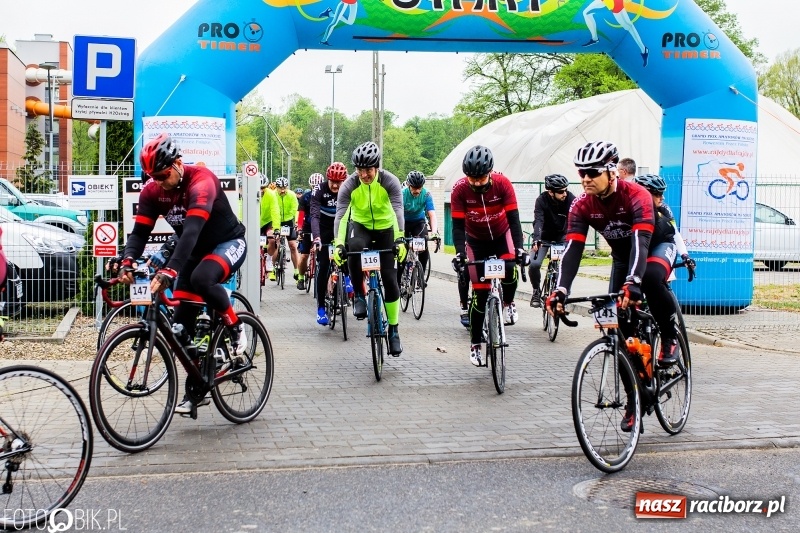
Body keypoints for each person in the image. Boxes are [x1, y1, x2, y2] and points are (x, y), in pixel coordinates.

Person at [545, 140, 679, 432]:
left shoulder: (637, 195)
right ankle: (636, 397)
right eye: (581, 173)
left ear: (611, 171)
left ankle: (669, 335)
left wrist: (634, 282)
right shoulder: (581, 204)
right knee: (617, 329)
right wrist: (561, 290)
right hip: (622, 258)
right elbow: (572, 250)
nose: (585, 179)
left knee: (653, 279)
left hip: (655, 247)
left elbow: (640, 242)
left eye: (592, 172)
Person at [120, 133, 247, 415]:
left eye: (163, 174)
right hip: (195, 251)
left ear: (178, 164)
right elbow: (140, 232)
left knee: (202, 278)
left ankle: (235, 326)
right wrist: (127, 260)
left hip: (227, 242)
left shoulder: (201, 181)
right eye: (152, 176)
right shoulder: (153, 192)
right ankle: (197, 390)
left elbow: (190, 231)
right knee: (180, 330)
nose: (158, 181)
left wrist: (170, 270)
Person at [451, 145, 528, 367]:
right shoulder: (459, 190)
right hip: (476, 241)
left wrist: (520, 249)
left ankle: (509, 302)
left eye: (481, 178)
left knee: (511, 267)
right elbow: (457, 227)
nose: (475, 182)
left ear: (490, 173)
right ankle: (475, 344)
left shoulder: (503, 184)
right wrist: (459, 253)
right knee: (481, 296)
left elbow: (514, 220)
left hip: (502, 235)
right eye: (471, 178)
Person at [332, 141, 405, 356]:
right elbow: (342, 216)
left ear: (377, 167)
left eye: (369, 170)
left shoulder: (389, 181)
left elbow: (397, 210)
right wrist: (338, 244)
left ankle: (393, 329)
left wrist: (400, 239)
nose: (364, 175)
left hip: (386, 230)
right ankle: (360, 297)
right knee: (353, 247)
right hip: (361, 227)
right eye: (360, 170)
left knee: (390, 279)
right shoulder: (350, 185)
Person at [633, 174, 696, 281]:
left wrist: (685, 256)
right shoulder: (631, 209)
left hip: (661, 248)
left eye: (662, 193)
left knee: (660, 282)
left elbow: (675, 233)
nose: (662, 197)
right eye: (658, 194)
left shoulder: (664, 209)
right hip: (639, 251)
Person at [311, 162, 352, 325]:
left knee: (350, 249)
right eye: (332, 181)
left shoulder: (349, 188)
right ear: (327, 179)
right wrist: (317, 238)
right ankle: (321, 308)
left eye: (339, 182)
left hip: (341, 226)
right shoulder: (319, 190)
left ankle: (348, 278)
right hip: (324, 229)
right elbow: (314, 215)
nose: (335, 185)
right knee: (323, 266)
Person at [528, 174, 576, 308]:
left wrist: (572, 238)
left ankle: (563, 291)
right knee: (534, 264)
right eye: (561, 191)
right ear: (550, 192)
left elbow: (575, 220)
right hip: (544, 236)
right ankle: (536, 291)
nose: (564, 194)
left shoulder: (570, 198)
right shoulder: (541, 200)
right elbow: (539, 220)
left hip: (562, 236)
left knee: (567, 264)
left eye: (566, 190)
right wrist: (536, 239)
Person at [396, 170, 439, 289]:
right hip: (403, 222)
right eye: (414, 188)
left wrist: (434, 232)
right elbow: (396, 213)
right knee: (402, 252)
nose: (417, 191)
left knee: (423, 244)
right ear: (409, 185)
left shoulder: (426, 195)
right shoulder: (402, 194)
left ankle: (421, 276)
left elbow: (432, 215)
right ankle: (398, 280)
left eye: (419, 187)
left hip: (418, 222)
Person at [296, 173, 323, 291]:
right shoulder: (305, 197)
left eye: (318, 186)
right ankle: (301, 277)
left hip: (321, 226)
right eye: (313, 186)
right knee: (304, 255)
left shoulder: (325, 195)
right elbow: (301, 215)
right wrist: (299, 229)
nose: (315, 189)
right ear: (310, 186)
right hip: (307, 227)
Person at [273, 177, 302, 285]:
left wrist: (296, 223)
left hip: (288, 221)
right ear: (276, 187)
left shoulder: (291, 195)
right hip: (276, 221)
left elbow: (296, 210)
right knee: (276, 243)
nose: (282, 190)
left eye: (284, 187)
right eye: (280, 188)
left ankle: (296, 271)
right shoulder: (273, 195)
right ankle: (274, 266)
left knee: (293, 246)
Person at [259, 175, 280, 280]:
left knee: (271, 239)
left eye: (263, 188)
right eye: (258, 188)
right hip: (254, 221)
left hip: (268, 221)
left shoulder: (271, 194)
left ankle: (269, 259)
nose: (261, 190)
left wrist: (276, 228)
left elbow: (275, 210)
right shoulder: (248, 192)